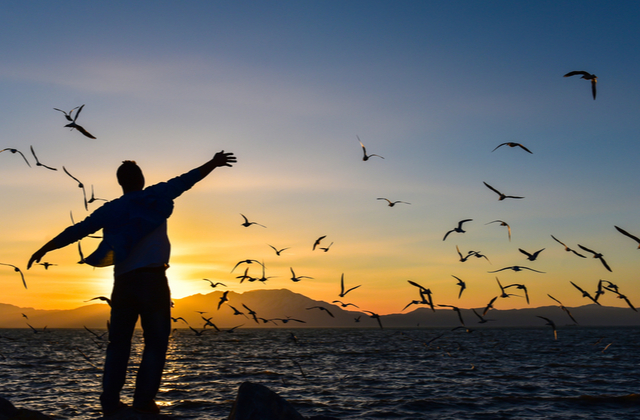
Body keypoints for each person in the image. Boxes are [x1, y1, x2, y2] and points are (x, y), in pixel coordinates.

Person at [27, 150, 236, 416]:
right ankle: (143, 402)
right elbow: (187, 179)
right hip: (153, 281)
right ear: (141, 179)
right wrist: (214, 163)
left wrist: (46, 247)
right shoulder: (157, 195)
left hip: (124, 284)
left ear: (120, 183)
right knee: (156, 342)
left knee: (119, 344)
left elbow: (78, 230)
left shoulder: (111, 209)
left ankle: (110, 403)